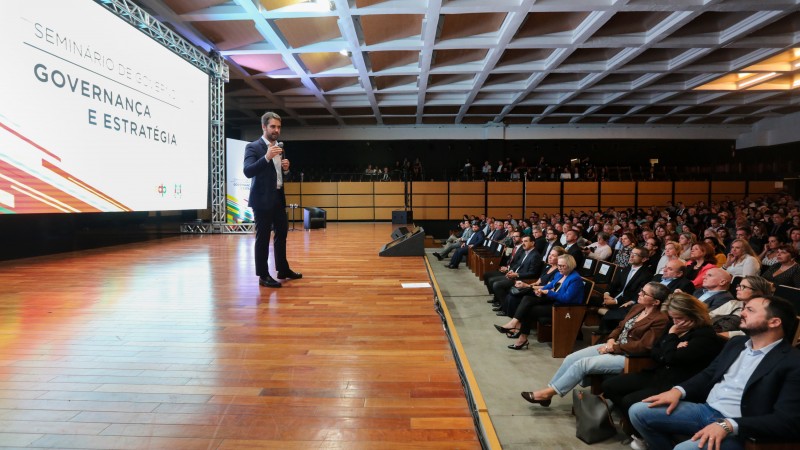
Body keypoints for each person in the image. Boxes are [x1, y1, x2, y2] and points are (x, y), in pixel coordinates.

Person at [629, 296, 800, 450]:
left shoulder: (792, 362)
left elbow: (787, 421)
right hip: (707, 410)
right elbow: (709, 374)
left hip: (741, 427)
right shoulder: (737, 343)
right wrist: (678, 391)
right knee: (638, 411)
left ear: (774, 322)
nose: (742, 313)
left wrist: (729, 425)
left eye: (750, 310)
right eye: (744, 308)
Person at [602, 293, 724, 447]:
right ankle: (636, 427)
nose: (675, 322)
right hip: (658, 374)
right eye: (672, 317)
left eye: (679, 318)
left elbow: (672, 358)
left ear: (693, 315)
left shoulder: (704, 335)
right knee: (610, 385)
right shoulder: (673, 325)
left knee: (629, 400)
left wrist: (671, 340)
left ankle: (643, 434)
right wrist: (672, 346)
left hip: (677, 382)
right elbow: (656, 351)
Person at [519, 282, 669, 405]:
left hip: (629, 356)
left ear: (656, 302)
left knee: (582, 364)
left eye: (644, 293)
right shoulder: (638, 307)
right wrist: (611, 339)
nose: (639, 294)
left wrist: (614, 347)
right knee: (571, 358)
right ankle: (549, 392)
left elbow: (644, 346)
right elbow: (620, 326)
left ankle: (546, 394)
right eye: (641, 290)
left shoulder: (660, 319)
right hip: (614, 345)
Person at [243, 111, 302, 288]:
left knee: (282, 234)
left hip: (277, 198)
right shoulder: (253, 147)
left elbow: (280, 177)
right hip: (261, 200)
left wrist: (286, 170)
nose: (276, 130)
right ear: (264, 127)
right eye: (272, 126)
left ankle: (282, 269)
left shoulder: (280, 147)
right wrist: (267, 157)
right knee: (263, 238)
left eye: (278, 127)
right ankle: (263, 275)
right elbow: (248, 171)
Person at [497, 254, 584, 350]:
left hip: (564, 308)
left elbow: (566, 299)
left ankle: (521, 336)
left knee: (528, 310)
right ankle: (514, 324)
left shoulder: (575, 279)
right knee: (527, 298)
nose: (559, 268)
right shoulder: (559, 274)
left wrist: (548, 292)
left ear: (570, 265)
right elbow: (549, 285)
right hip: (553, 301)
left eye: (562, 266)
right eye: (558, 265)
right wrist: (540, 291)